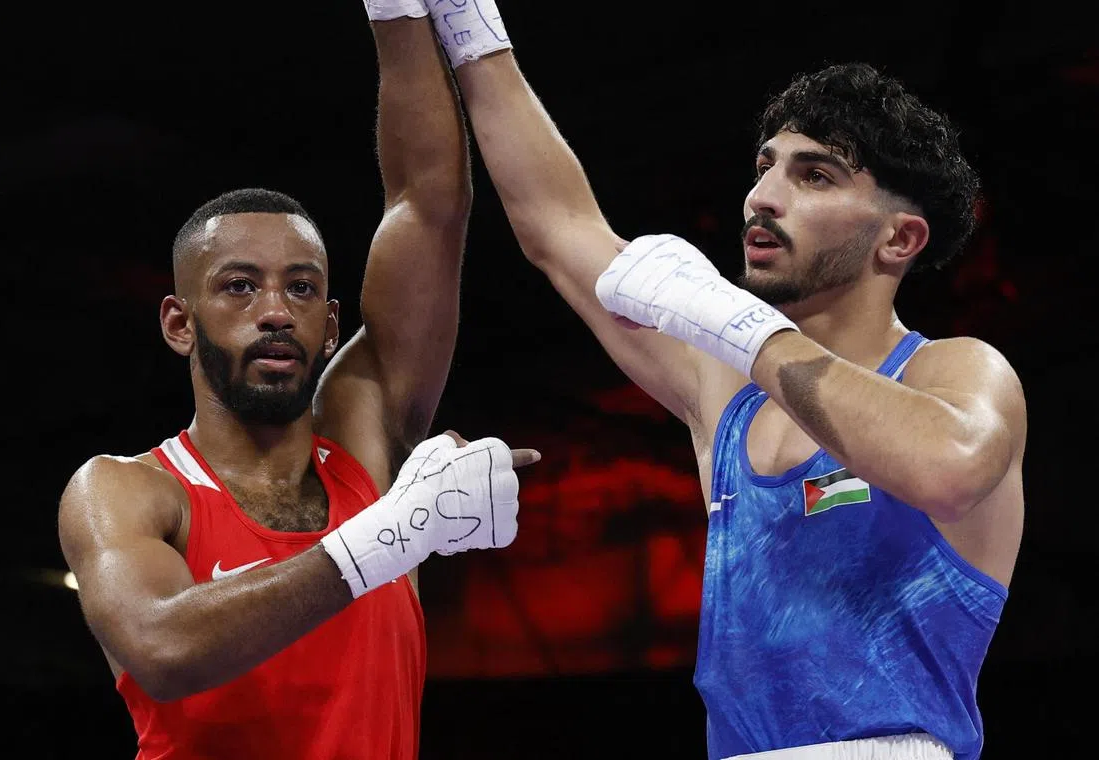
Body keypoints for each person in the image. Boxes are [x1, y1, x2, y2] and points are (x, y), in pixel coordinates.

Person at [415, 3, 1027, 759]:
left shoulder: (957, 370)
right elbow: (556, 226)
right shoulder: (725, 391)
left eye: (815, 176)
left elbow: (950, 468)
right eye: (765, 166)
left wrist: (740, 326)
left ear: (898, 238)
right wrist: (466, 24)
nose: (763, 197)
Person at [56, 8, 538, 760]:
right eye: (240, 288)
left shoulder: (363, 440)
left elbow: (428, 202)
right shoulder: (127, 491)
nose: (276, 311)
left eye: (302, 289)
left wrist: (400, 15)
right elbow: (163, 645)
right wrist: (400, 529)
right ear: (180, 323)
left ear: (330, 322)